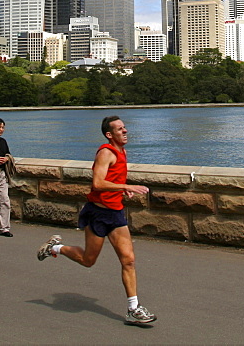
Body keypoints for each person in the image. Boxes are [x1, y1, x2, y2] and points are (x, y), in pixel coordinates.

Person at [37, 115, 156, 325]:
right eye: (120, 129)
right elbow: (98, 183)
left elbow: (114, 179)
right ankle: (55, 248)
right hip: (98, 214)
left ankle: (133, 309)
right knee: (88, 260)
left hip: (116, 213)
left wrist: (121, 190)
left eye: (125, 127)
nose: (125, 131)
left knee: (128, 260)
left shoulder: (122, 151)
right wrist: (126, 187)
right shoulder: (106, 152)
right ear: (109, 134)